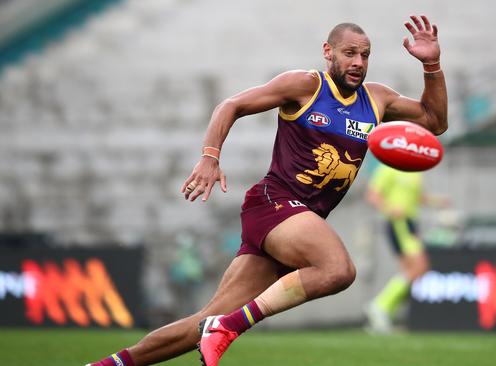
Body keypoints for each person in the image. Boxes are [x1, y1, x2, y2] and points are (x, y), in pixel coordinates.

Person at [88, 15, 447, 366]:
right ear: (328, 52)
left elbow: (435, 122)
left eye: (365, 55)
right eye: (349, 53)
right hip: (274, 204)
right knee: (338, 270)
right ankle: (228, 327)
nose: (358, 62)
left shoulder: (377, 99)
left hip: (299, 221)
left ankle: (110, 364)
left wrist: (431, 65)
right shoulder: (307, 85)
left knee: (201, 322)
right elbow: (231, 105)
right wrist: (210, 156)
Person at [364, 164, 446, 333]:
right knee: (419, 267)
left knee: (410, 270)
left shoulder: (415, 170)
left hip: (411, 223)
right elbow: (372, 195)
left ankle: (383, 311)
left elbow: (419, 197)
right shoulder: (388, 168)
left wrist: (438, 201)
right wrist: (389, 208)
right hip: (398, 223)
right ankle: (380, 306)